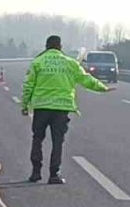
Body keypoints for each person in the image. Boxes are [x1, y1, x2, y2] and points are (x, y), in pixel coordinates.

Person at [21, 35, 111, 184]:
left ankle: (35, 173)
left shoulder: (38, 62)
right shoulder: (70, 63)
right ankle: (54, 175)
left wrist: (24, 105)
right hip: (61, 109)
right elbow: (86, 79)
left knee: (37, 139)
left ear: (46, 46)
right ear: (60, 47)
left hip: (41, 108)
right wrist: (103, 88)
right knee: (57, 142)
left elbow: (28, 85)